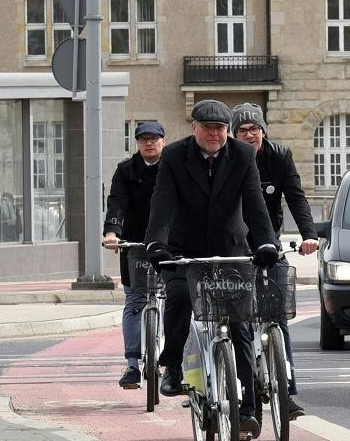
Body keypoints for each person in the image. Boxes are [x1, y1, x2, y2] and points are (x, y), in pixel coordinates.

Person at [144, 100, 279, 438]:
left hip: (230, 246)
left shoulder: (243, 156)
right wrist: (155, 245)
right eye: (208, 128)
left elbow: (255, 204)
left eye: (220, 128)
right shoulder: (174, 156)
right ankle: (172, 365)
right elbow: (162, 204)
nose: (215, 134)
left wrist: (266, 243)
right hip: (183, 249)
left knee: (240, 325)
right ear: (195, 128)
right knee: (177, 298)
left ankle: (248, 405)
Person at [232, 103, 318, 419]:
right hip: (236, 244)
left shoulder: (279, 156)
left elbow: (295, 196)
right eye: (242, 130)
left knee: (278, 316)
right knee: (235, 318)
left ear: (263, 131)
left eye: (254, 129)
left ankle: (288, 393)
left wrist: (309, 234)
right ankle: (238, 385)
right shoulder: (228, 159)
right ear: (234, 134)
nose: (249, 134)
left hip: (271, 245)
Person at [102, 121, 167, 389]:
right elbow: (116, 201)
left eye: (154, 138)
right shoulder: (126, 170)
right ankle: (131, 365)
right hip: (135, 243)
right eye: (143, 139)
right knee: (134, 300)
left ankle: (173, 363)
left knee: (177, 298)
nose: (149, 143)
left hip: (168, 242)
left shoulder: (173, 167)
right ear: (136, 143)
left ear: (163, 140)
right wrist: (112, 233)